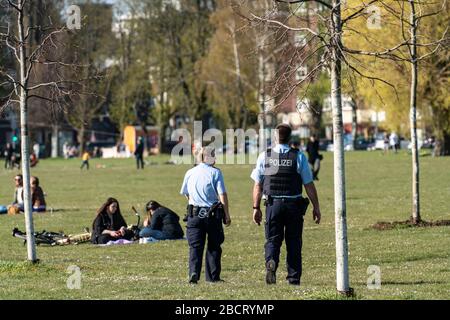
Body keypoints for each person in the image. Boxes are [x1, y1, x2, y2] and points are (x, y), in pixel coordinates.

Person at [251, 123, 321, 285]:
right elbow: (309, 185)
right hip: (293, 206)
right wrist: (316, 207)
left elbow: (258, 185)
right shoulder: (299, 157)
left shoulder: (264, 156)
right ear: (290, 138)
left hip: (272, 205)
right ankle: (293, 277)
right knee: (294, 242)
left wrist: (256, 208)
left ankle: (271, 262)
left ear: (275, 137)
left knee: (272, 240)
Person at [180, 146, 231, 284]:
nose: (216, 158)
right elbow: (222, 194)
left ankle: (194, 273)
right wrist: (227, 214)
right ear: (208, 157)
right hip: (212, 215)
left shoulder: (190, 172)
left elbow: (186, 192)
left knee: (195, 247)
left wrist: (193, 202)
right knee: (214, 246)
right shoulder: (215, 172)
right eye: (214, 155)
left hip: (194, 215)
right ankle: (212, 277)